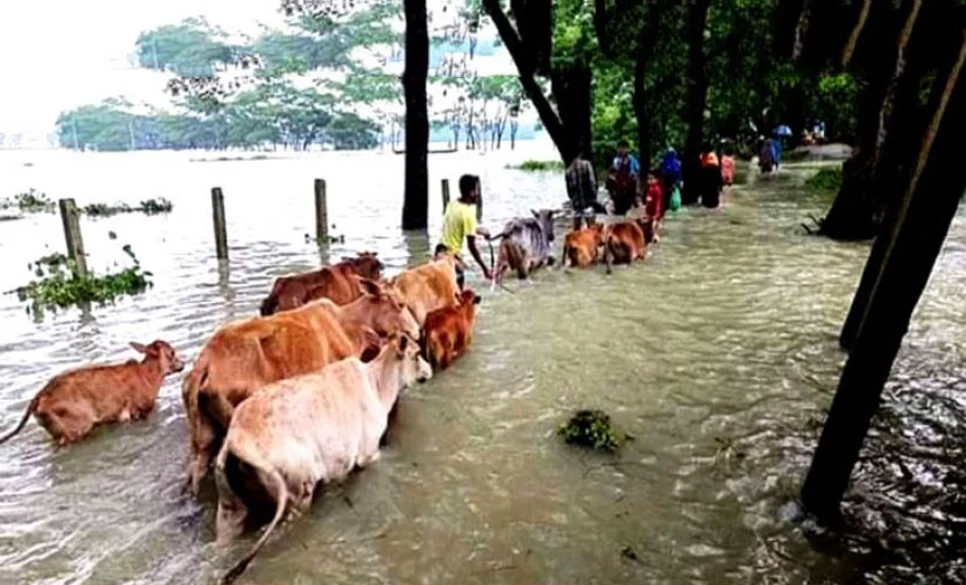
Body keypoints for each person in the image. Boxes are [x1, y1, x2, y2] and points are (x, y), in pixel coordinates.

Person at [435, 174, 492, 287]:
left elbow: (462, 225)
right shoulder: (468, 213)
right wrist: (485, 269)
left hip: (439, 253)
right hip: (451, 259)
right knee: (459, 295)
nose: (478, 194)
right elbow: (472, 247)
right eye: (477, 190)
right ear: (471, 192)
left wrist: (482, 231)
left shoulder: (452, 204)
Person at [565, 151, 602, 230]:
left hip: (576, 205)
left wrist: (574, 200)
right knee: (591, 229)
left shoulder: (568, 171)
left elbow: (569, 192)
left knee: (576, 230)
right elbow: (592, 183)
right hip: (588, 203)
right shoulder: (587, 165)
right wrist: (594, 199)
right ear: (580, 154)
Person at [605, 139, 640, 215]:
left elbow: (636, 171)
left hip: (629, 185)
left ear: (627, 149)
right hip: (619, 186)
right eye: (620, 148)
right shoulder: (616, 160)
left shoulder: (632, 159)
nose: (622, 150)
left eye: (624, 148)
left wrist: (632, 174)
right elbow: (613, 171)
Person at [699, 142, 722, 208]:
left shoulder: (710, 155)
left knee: (709, 190)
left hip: (711, 173)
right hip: (709, 174)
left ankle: (709, 203)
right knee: (710, 190)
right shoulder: (705, 155)